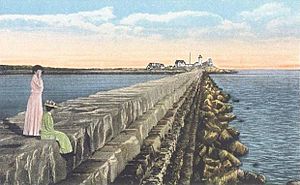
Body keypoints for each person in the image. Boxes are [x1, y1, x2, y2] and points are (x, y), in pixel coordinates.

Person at [23, 65, 44, 136]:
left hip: (38, 98)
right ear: (35, 71)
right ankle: (31, 131)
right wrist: (39, 77)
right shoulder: (35, 78)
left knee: (38, 113)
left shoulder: (39, 78)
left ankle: (36, 130)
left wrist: (39, 77)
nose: (40, 72)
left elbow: (41, 88)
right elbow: (39, 87)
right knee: (33, 113)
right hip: (34, 98)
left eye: (41, 71)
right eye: (39, 71)